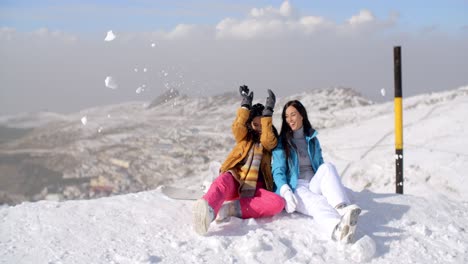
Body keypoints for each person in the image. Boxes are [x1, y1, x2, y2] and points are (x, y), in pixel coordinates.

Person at [193, 85, 285, 235]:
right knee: (223, 180)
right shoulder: (244, 137)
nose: (259, 128)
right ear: (250, 125)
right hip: (236, 180)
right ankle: (208, 211)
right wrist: (244, 106)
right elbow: (237, 127)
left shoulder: (268, 142)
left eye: (262, 125)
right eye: (255, 124)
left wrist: (268, 113)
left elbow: (268, 140)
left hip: (257, 188)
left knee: (278, 203)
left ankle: (230, 209)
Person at [272, 100, 361, 243]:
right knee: (317, 203)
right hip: (296, 186)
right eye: (286, 116)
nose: (289, 119)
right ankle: (336, 229)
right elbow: (278, 171)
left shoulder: (312, 140)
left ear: (302, 115)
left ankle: (342, 208)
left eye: (293, 115)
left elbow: (320, 166)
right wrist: (285, 191)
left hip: (313, 182)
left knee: (328, 167)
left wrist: (332, 187)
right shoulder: (282, 143)